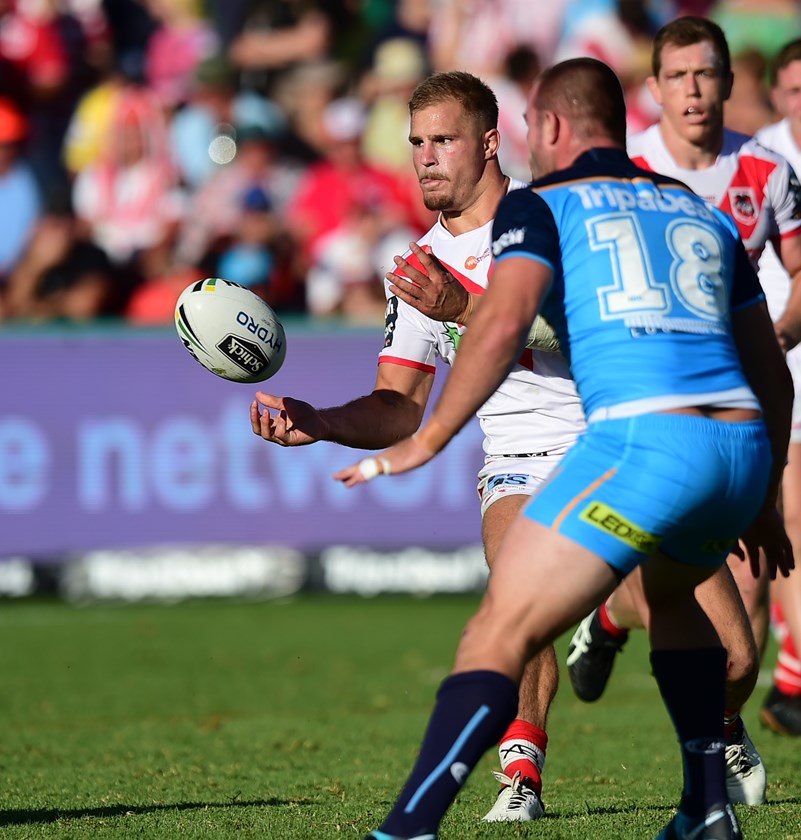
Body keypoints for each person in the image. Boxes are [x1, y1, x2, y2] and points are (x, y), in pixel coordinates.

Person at [335, 57, 794, 840]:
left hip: (637, 442)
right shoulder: (693, 207)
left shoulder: (540, 207)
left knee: (500, 627)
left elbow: (503, 324)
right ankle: (703, 809)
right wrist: (764, 489)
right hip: (734, 445)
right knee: (692, 623)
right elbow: (768, 367)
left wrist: (428, 440)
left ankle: (403, 829)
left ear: (544, 127)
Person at [251, 69, 586, 821]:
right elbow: (399, 407)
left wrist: (463, 305)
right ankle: (521, 775)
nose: (426, 157)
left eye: (444, 140)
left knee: (729, 653)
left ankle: (719, 731)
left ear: (490, 143)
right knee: (516, 593)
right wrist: (319, 420)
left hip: (611, 440)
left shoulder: (552, 219)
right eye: (416, 143)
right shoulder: (417, 268)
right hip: (518, 459)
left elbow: (589, 336)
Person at [565, 16, 801, 769]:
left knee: (745, 586)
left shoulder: (766, 171)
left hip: (732, 410)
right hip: (644, 411)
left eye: (705, 73)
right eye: (678, 76)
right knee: (679, 574)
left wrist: (774, 341)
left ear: (728, 82)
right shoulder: (623, 170)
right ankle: (713, 742)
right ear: (654, 87)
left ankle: (619, 626)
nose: (693, 89)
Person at [753, 36, 801, 736]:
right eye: (794, 90)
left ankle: (790, 674)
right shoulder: (759, 160)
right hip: (774, 351)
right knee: (783, 517)